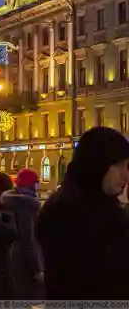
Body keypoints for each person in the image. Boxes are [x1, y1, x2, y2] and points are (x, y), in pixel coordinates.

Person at [38, 126, 129, 299]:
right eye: (118, 166)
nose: (126, 175)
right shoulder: (67, 214)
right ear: (97, 164)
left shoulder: (109, 210)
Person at [0, 168, 44, 300]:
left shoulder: (9, 201)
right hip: (24, 263)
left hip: (11, 259)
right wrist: (36, 268)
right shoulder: (25, 205)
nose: (38, 185)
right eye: (36, 182)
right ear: (31, 184)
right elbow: (28, 238)